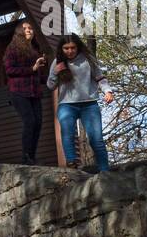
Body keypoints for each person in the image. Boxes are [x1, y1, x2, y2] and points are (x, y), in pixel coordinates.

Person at [46, 33, 116, 171]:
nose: (70, 51)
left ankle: (104, 170)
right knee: (68, 133)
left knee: (96, 139)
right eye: (66, 48)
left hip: (89, 104)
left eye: (73, 48)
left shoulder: (88, 60)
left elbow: (100, 78)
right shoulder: (57, 62)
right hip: (66, 104)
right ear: (62, 49)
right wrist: (55, 72)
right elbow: (50, 86)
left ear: (78, 47)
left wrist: (108, 91)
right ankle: (72, 163)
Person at [2, 19, 48, 164]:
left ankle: (32, 157)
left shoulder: (33, 51)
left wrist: (53, 77)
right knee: (30, 121)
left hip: (34, 92)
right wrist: (32, 68)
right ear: (19, 32)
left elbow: (37, 75)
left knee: (38, 123)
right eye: (26, 28)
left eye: (31, 28)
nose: (29, 30)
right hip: (18, 92)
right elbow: (10, 70)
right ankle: (26, 156)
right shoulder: (13, 48)